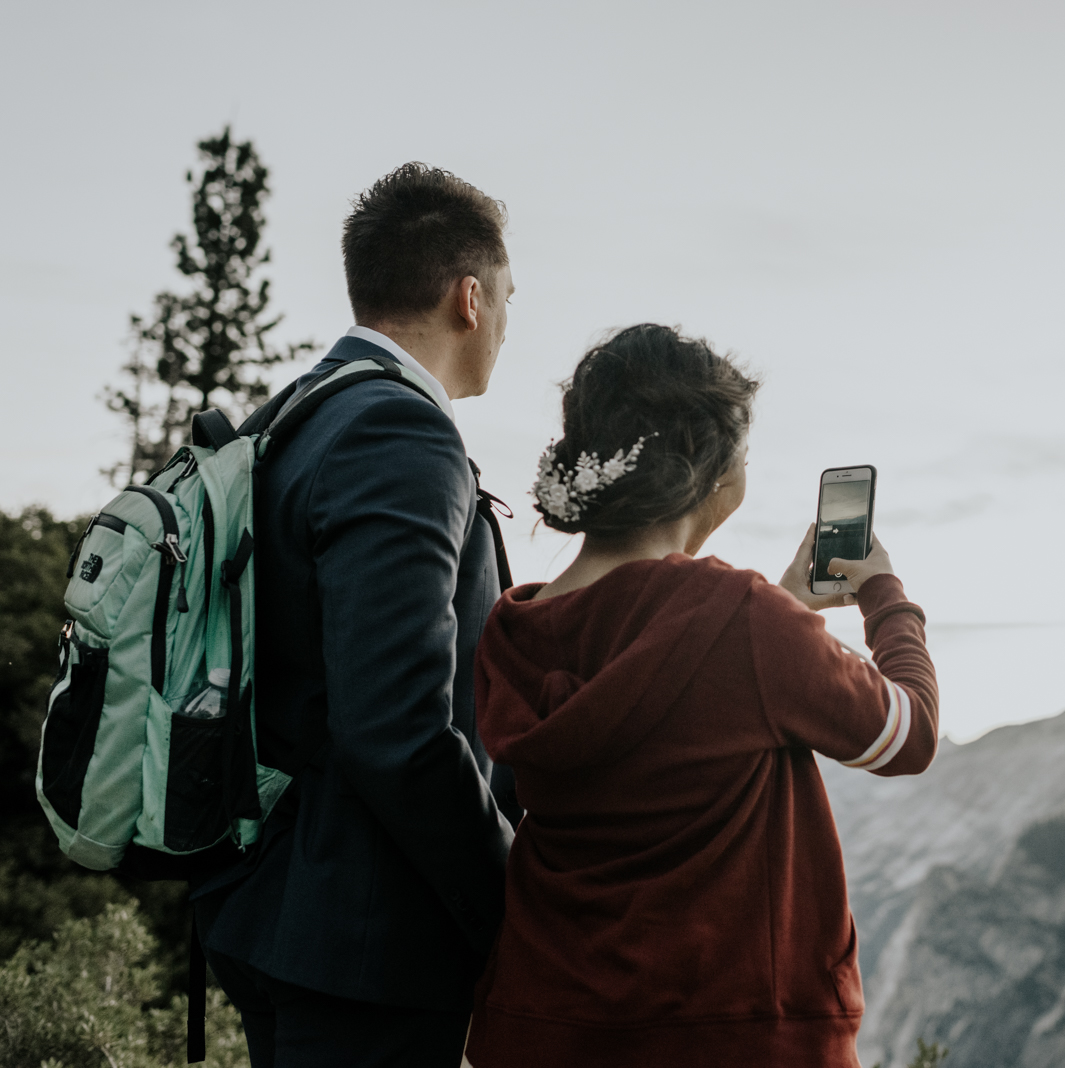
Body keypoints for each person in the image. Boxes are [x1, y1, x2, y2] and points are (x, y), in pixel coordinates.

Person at [465, 324, 940, 1067]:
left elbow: (661, 657)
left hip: (549, 1026)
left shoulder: (515, 630)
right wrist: (884, 595)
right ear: (709, 470)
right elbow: (909, 735)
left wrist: (781, 609)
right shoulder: (745, 625)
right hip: (739, 1035)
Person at [192, 163, 519, 1067]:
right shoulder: (400, 434)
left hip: (281, 903)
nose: (503, 323)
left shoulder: (295, 414)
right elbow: (398, 730)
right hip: (366, 946)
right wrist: (514, 895)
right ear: (468, 297)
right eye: (506, 297)